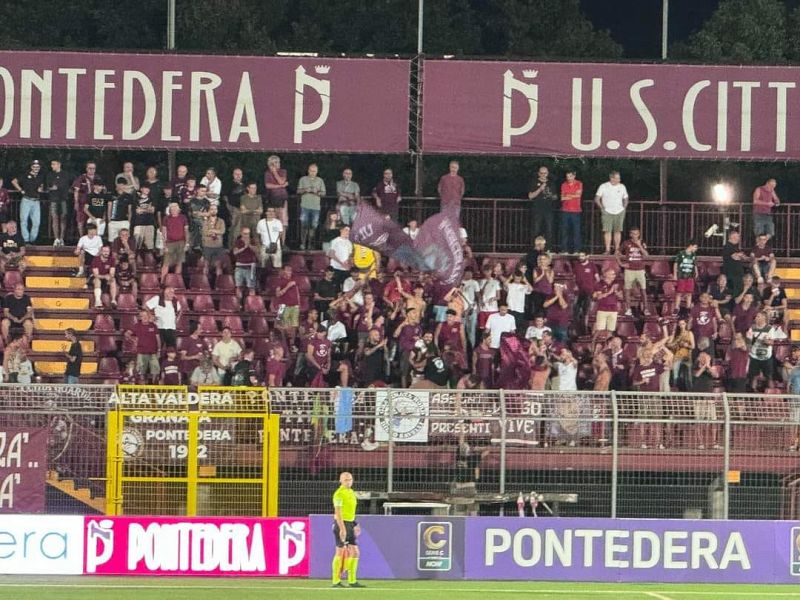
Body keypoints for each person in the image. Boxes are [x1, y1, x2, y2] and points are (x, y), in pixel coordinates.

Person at [331, 471, 363, 588]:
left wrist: (355, 524)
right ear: (340, 481)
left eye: (350, 479)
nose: (348, 482)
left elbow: (349, 511)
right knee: (340, 551)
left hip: (349, 523)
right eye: (346, 480)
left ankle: (352, 581)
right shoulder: (338, 494)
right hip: (341, 524)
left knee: (354, 552)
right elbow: (338, 512)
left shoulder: (351, 492)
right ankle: (336, 581)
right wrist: (342, 529)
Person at [617, 226, 650, 316]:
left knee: (643, 289)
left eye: (636, 234)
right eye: (633, 234)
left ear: (639, 234)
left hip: (640, 269)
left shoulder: (642, 242)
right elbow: (617, 253)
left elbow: (646, 255)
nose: (635, 235)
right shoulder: (626, 243)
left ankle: (646, 308)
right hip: (629, 269)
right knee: (627, 289)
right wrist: (621, 264)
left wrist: (639, 245)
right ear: (630, 234)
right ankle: (628, 309)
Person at [594, 170, 629, 254]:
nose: (619, 180)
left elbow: (626, 197)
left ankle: (617, 250)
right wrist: (602, 208)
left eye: (619, 178)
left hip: (619, 211)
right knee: (607, 231)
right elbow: (597, 198)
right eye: (617, 178)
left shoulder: (622, 186)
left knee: (618, 231)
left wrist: (624, 207)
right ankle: (607, 250)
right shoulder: (603, 186)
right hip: (607, 211)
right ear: (612, 178)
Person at [11, 160, 45, 244]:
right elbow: (14, 181)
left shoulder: (40, 176)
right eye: (34, 166)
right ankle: (26, 240)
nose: (36, 168)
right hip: (26, 200)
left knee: (36, 222)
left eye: (38, 167)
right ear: (31, 167)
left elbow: (41, 185)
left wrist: (41, 188)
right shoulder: (25, 175)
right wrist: (20, 190)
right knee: (24, 221)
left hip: (36, 201)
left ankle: (32, 240)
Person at [297, 163, 326, 250]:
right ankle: (302, 244)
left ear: (317, 172)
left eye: (314, 171)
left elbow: (324, 193)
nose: (313, 173)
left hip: (316, 207)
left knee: (313, 226)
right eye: (311, 171)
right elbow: (298, 191)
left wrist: (317, 192)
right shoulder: (303, 179)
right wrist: (306, 190)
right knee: (304, 225)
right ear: (308, 171)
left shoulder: (320, 180)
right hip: (304, 206)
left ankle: (310, 244)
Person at [528, 165, 557, 249]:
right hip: (537, 209)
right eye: (541, 173)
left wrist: (550, 195)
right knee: (536, 230)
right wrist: (540, 189)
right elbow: (530, 196)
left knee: (549, 230)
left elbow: (555, 197)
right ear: (538, 173)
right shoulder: (534, 182)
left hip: (548, 210)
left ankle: (548, 249)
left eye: (545, 173)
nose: (543, 175)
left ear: (547, 173)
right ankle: (535, 248)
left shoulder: (551, 183)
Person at [160, 202, 189, 283]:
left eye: (175, 207)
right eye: (172, 208)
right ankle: (162, 282)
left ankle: (176, 282)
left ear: (178, 209)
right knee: (166, 263)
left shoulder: (183, 218)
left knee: (179, 263)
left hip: (181, 242)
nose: (173, 209)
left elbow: (186, 231)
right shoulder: (166, 218)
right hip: (169, 243)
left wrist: (186, 243)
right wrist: (164, 245)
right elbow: (164, 232)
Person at [129, 309, 160, 384]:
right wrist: (134, 340)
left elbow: (158, 338)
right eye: (143, 316)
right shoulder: (137, 326)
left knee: (155, 370)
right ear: (140, 317)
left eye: (146, 315)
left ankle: (154, 385)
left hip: (153, 352)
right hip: (141, 352)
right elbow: (127, 334)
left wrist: (159, 349)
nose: (145, 317)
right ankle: (142, 385)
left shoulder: (153, 326)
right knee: (141, 371)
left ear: (149, 316)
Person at [72, 161, 100, 238]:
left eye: (93, 168)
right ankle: (82, 238)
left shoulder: (98, 178)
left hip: (94, 203)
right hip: (82, 203)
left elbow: (102, 190)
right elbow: (76, 191)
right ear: (86, 168)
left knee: (94, 220)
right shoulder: (81, 178)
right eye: (90, 168)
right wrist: (76, 202)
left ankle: (94, 239)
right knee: (81, 221)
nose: (92, 170)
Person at [46, 159, 70, 246]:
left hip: (63, 199)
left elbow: (64, 185)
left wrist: (57, 187)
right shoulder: (50, 175)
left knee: (63, 218)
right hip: (53, 199)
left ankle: (62, 238)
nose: (52, 166)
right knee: (54, 218)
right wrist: (53, 187)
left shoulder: (65, 174)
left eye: (54, 164)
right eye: (51, 164)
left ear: (59, 164)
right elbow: (49, 186)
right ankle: (56, 239)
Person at [264, 155, 290, 231]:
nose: (278, 163)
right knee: (273, 220)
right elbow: (268, 185)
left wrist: (275, 173)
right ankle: (274, 236)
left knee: (283, 221)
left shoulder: (283, 171)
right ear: (271, 164)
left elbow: (281, 181)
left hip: (282, 199)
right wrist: (281, 186)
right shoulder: (267, 173)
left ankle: (282, 238)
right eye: (276, 162)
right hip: (272, 199)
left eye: (278, 162)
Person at [559, 169, 583, 254]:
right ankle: (564, 250)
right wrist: (572, 195)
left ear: (574, 176)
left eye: (570, 176)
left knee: (576, 231)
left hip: (576, 211)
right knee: (564, 231)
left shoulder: (579, 183)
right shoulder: (564, 184)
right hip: (565, 210)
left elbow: (578, 195)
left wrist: (568, 195)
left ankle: (576, 250)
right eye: (567, 176)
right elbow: (562, 198)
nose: (568, 178)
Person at [673, 239, 699, 314]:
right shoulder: (681, 254)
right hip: (682, 276)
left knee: (689, 293)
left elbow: (695, 264)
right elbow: (676, 264)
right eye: (695, 247)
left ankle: (688, 308)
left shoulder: (693, 255)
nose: (696, 249)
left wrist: (696, 272)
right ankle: (676, 307)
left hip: (690, 276)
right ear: (690, 246)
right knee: (679, 292)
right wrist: (675, 274)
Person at [233, 227, 259, 298]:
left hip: (250, 266)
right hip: (239, 266)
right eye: (245, 234)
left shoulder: (252, 241)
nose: (246, 235)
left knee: (251, 287)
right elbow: (235, 252)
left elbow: (257, 251)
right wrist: (244, 247)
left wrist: (249, 245)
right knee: (238, 286)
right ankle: (238, 303)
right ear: (241, 233)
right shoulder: (238, 241)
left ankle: (251, 302)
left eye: (248, 234)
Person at [107, 178, 134, 243]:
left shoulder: (129, 196)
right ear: (117, 185)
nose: (121, 186)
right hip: (113, 221)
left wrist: (129, 222)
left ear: (125, 186)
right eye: (119, 184)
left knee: (124, 240)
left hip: (124, 221)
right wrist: (109, 221)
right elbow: (109, 208)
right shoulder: (111, 195)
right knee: (112, 241)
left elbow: (130, 211)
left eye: (123, 185)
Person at [722, 230, 747, 298]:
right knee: (733, 293)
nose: (739, 238)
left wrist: (740, 255)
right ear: (732, 237)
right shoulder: (727, 246)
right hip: (732, 274)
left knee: (738, 292)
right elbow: (735, 257)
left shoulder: (735, 247)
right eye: (738, 236)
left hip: (737, 274)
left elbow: (744, 257)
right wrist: (739, 255)